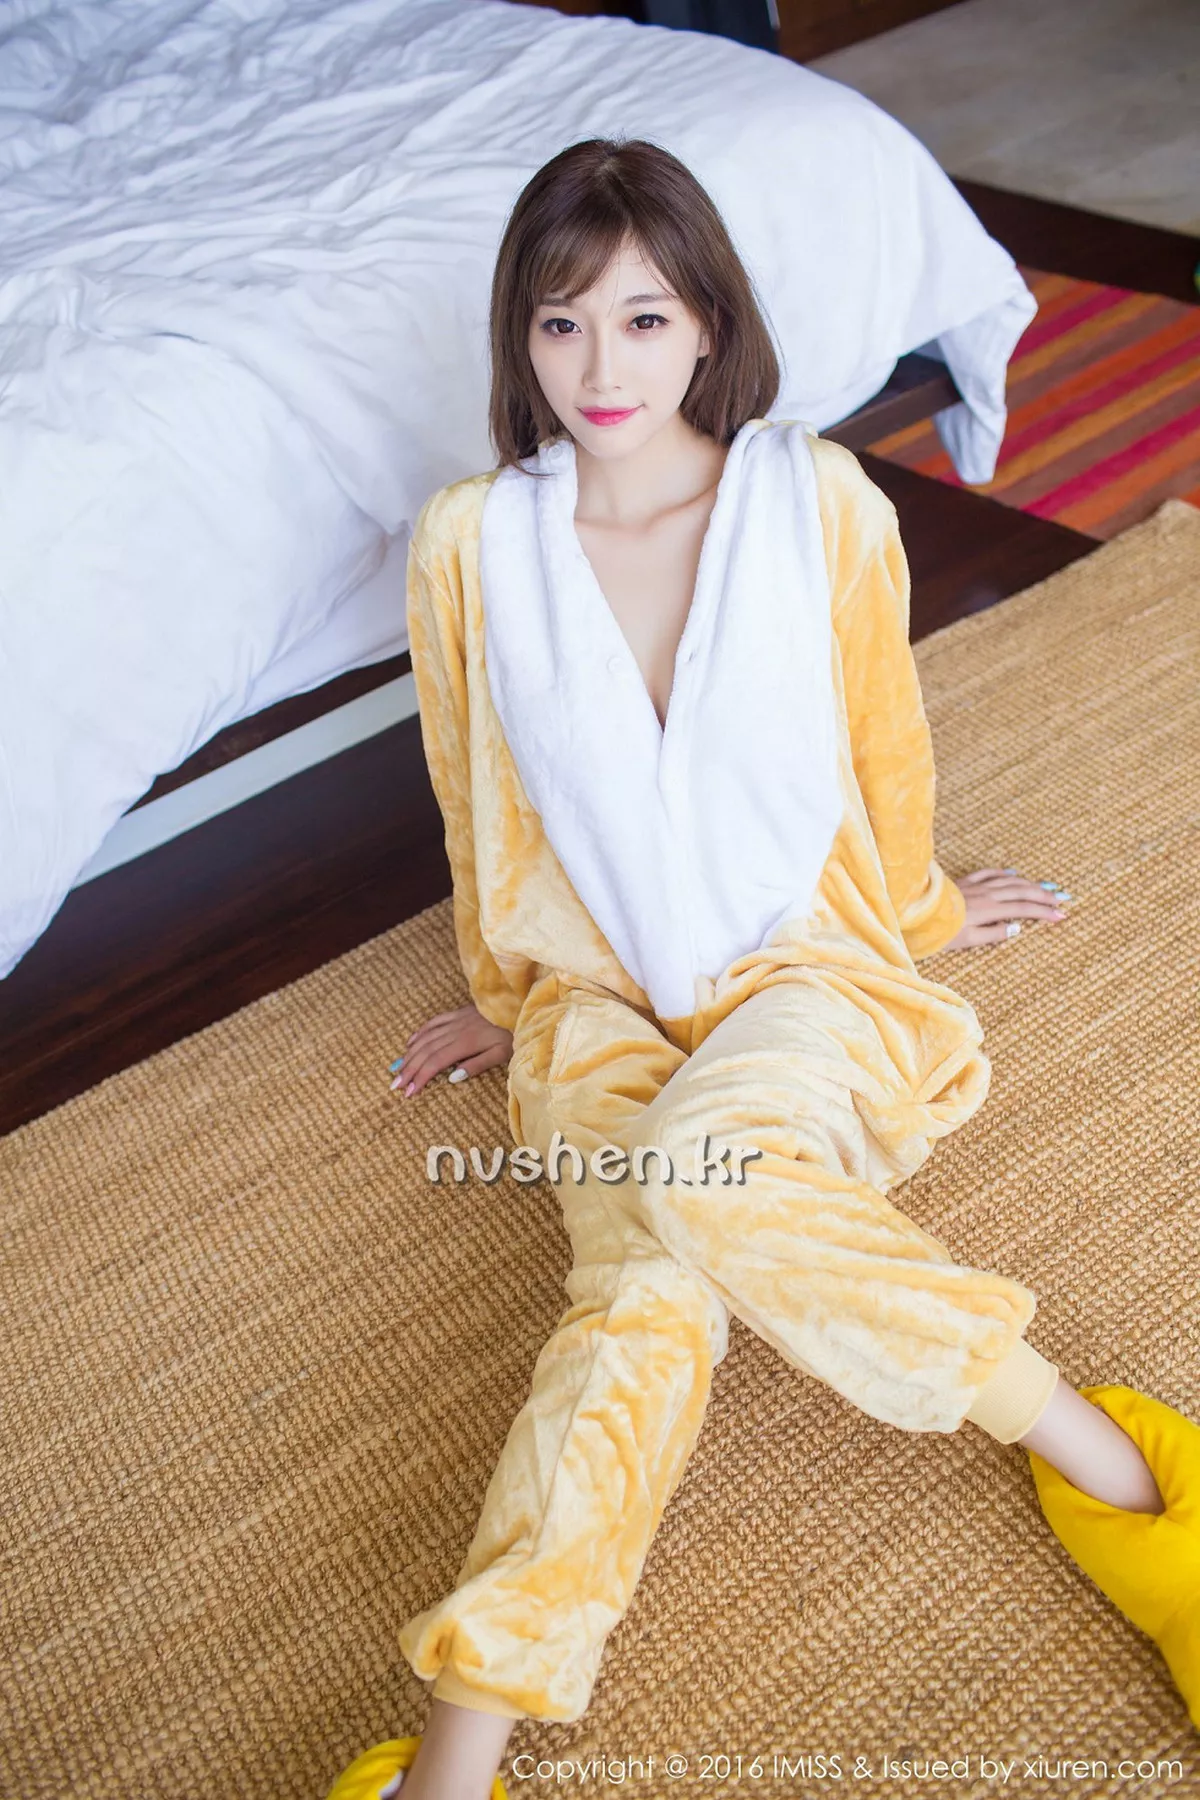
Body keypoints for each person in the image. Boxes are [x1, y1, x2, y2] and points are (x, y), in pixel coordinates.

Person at [326, 139, 1198, 1800]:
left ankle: (1133, 1488)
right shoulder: (472, 543)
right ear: (520, 336)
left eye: (644, 319)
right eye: (562, 323)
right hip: (595, 1002)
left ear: (710, 324)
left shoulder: (817, 502)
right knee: (637, 1309)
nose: (602, 365)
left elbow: (884, 746)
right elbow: (477, 793)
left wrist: (920, 909)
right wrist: (510, 997)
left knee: (700, 1185)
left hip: (803, 974)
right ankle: (452, 1770)